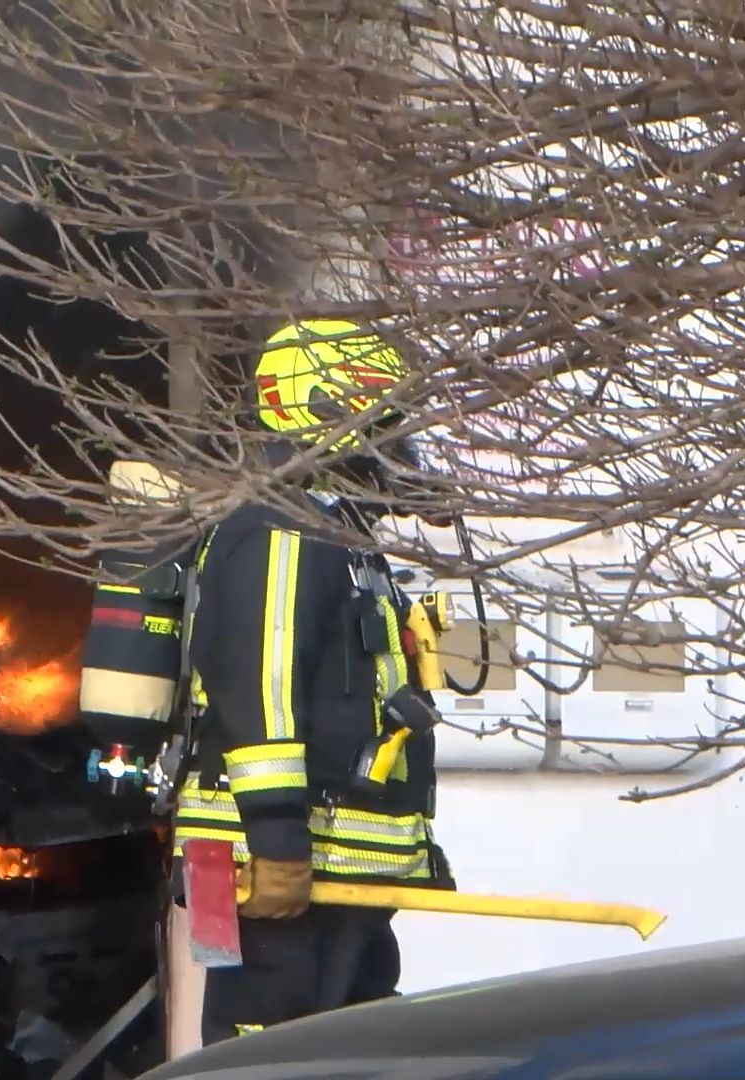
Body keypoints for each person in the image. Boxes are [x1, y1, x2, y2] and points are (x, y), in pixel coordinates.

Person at [171, 318, 453, 1043]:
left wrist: (416, 848)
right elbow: (259, 689)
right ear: (333, 414)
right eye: (383, 418)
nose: (396, 443)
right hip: (286, 873)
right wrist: (277, 842)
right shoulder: (282, 530)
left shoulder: (335, 536)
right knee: (277, 1052)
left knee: (348, 1051)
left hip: (338, 872)